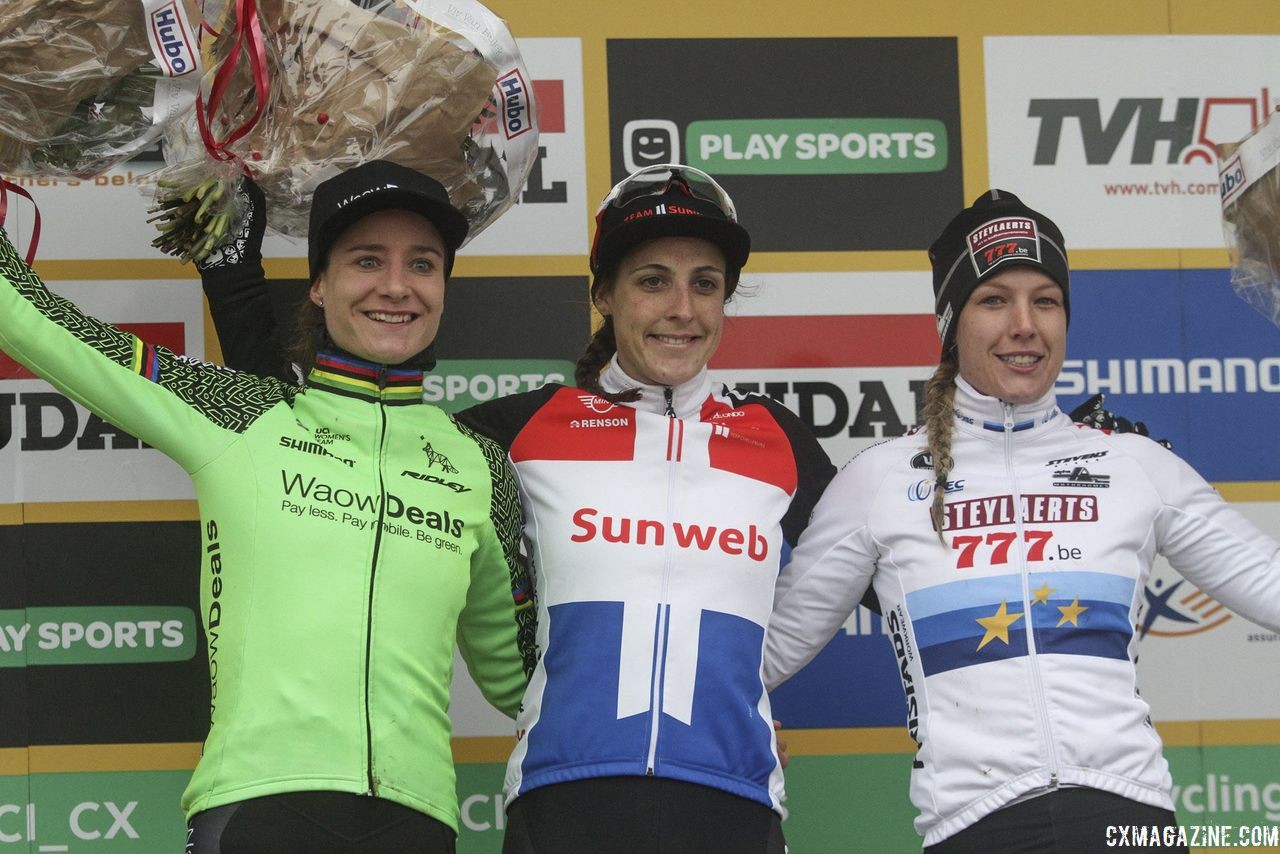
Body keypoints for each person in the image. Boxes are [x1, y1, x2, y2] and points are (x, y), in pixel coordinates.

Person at [201, 163, 836, 853]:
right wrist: (234, 282)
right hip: (562, 805)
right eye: (653, 280)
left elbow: (889, 560)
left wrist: (750, 678)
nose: (682, 308)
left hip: (733, 806)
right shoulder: (519, 432)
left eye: (705, 285)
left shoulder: (778, 437)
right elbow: (329, 437)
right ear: (604, 294)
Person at [0, 161, 537, 853]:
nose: (397, 286)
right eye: (366, 260)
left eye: (423, 265)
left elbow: (523, 680)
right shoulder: (242, 415)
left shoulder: (477, 464)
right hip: (260, 810)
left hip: (418, 819)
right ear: (320, 284)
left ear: (442, 288)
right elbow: (42, 326)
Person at [762, 189, 1280, 852]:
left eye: (1045, 300)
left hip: (1130, 823)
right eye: (994, 300)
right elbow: (766, 654)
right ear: (952, 322)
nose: (1024, 324)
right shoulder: (880, 480)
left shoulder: (1133, 463)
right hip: (976, 825)